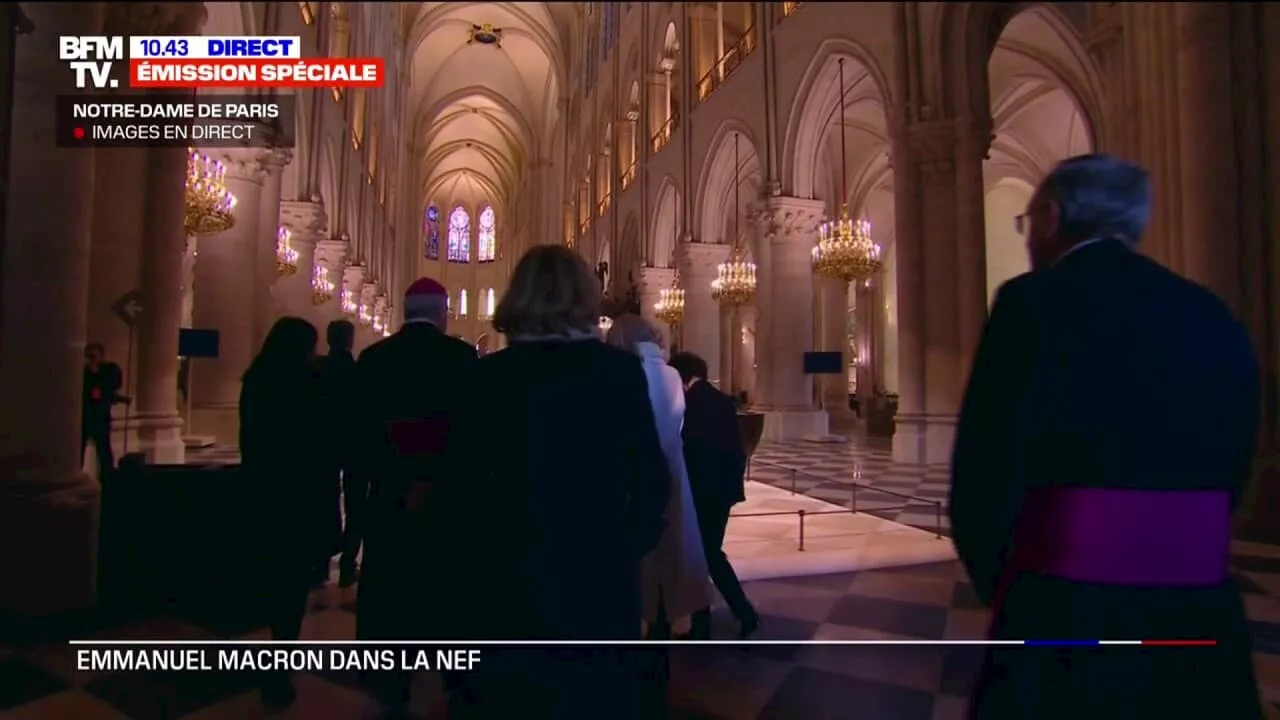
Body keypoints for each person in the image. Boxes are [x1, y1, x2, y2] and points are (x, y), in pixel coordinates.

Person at [951, 154, 1262, 719]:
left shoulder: (1032, 302)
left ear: (1050, 216)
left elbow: (985, 472)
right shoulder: (1210, 310)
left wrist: (1014, 589)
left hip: (1068, 607)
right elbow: (1239, 458)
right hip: (1197, 608)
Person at [443, 245, 669, 719]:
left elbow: (457, 493)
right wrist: (621, 548)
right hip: (598, 582)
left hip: (506, 581)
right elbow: (651, 482)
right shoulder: (619, 372)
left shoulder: (485, 379)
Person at [351, 277, 476, 711]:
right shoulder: (462, 358)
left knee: (390, 589)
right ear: (442, 313)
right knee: (444, 589)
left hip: (389, 499)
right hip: (446, 502)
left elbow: (361, 437)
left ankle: (389, 684)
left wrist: (393, 483)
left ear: (405, 311)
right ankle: (450, 681)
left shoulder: (373, 359)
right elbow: (469, 438)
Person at [238, 317, 328, 708]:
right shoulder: (308, 385)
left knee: (269, 575)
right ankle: (279, 668)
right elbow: (319, 446)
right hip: (298, 497)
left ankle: (272, 656)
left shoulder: (255, 381)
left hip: (261, 492)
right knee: (291, 588)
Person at [605, 314, 710, 639]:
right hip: (673, 471)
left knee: (639, 558)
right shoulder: (671, 374)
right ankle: (670, 619)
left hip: (632, 475)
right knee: (673, 548)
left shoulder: (621, 374)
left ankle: (640, 622)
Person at [667, 351, 759, 639]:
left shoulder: (692, 404)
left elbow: (692, 451)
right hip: (722, 490)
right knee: (703, 555)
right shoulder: (721, 400)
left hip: (703, 492)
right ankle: (704, 620)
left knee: (707, 555)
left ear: (683, 376)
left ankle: (743, 613)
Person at [315, 319, 360, 587]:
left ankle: (320, 561)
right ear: (350, 340)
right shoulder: (358, 370)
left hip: (323, 446)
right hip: (355, 446)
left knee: (323, 500)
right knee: (355, 507)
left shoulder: (317, 369)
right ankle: (348, 562)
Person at [82, 342, 129, 480]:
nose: (90, 360)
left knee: (104, 452)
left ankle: (107, 479)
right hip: (84, 417)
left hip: (100, 417)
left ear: (101, 357)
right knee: (78, 451)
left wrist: (97, 373)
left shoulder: (109, 370)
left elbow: (114, 385)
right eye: (87, 357)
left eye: (93, 356)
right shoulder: (83, 373)